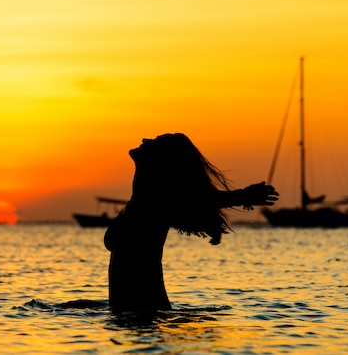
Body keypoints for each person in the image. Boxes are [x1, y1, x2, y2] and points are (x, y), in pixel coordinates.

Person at [104, 133, 278, 313]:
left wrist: (242, 195)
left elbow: (195, 200)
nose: (145, 140)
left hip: (145, 316)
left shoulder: (155, 201)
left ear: (162, 160)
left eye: (155, 142)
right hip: (131, 320)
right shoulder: (141, 200)